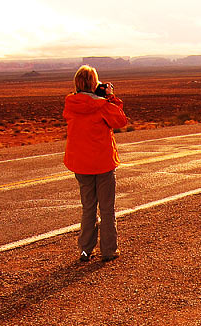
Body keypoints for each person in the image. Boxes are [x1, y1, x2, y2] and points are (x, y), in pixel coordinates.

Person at [63, 65, 128, 263]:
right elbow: (120, 121)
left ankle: (85, 251)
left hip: (81, 164)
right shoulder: (102, 105)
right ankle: (109, 251)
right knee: (107, 209)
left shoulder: (70, 104)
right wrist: (110, 97)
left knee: (88, 207)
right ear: (94, 83)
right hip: (102, 163)